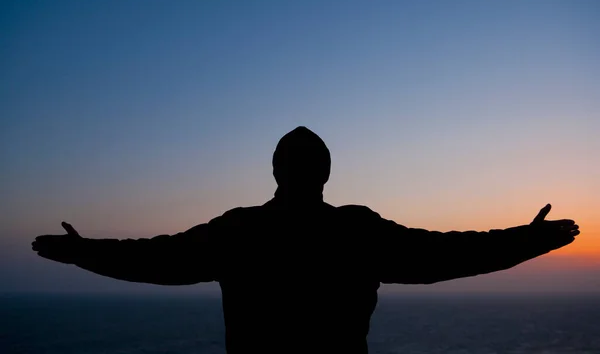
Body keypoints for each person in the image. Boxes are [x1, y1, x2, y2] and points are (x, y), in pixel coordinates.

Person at [32, 126, 580, 354]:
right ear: (326, 172)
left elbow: (157, 259)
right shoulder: (356, 230)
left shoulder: (242, 229)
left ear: (275, 170)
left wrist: (83, 253)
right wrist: (529, 241)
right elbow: (449, 254)